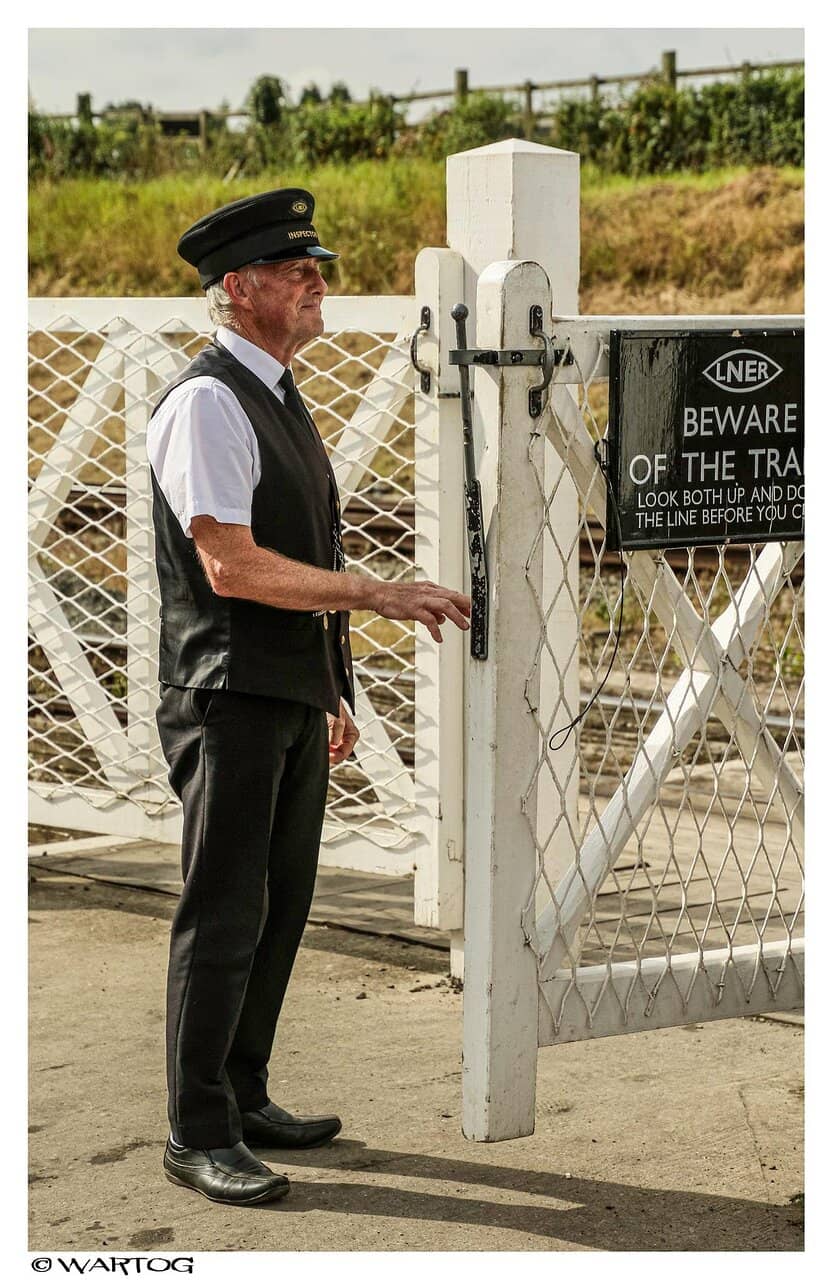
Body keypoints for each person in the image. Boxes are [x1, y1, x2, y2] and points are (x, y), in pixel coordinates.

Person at [147, 187, 471, 1207]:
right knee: (223, 913)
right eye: (296, 271)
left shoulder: (275, 391)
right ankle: (197, 1131)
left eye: (315, 269)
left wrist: (327, 686)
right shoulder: (207, 401)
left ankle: (243, 1094)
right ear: (239, 289)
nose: (316, 284)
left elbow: (300, 546)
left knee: (278, 907)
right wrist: (377, 593)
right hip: (226, 694)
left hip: (281, 691)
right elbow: (232, 565)